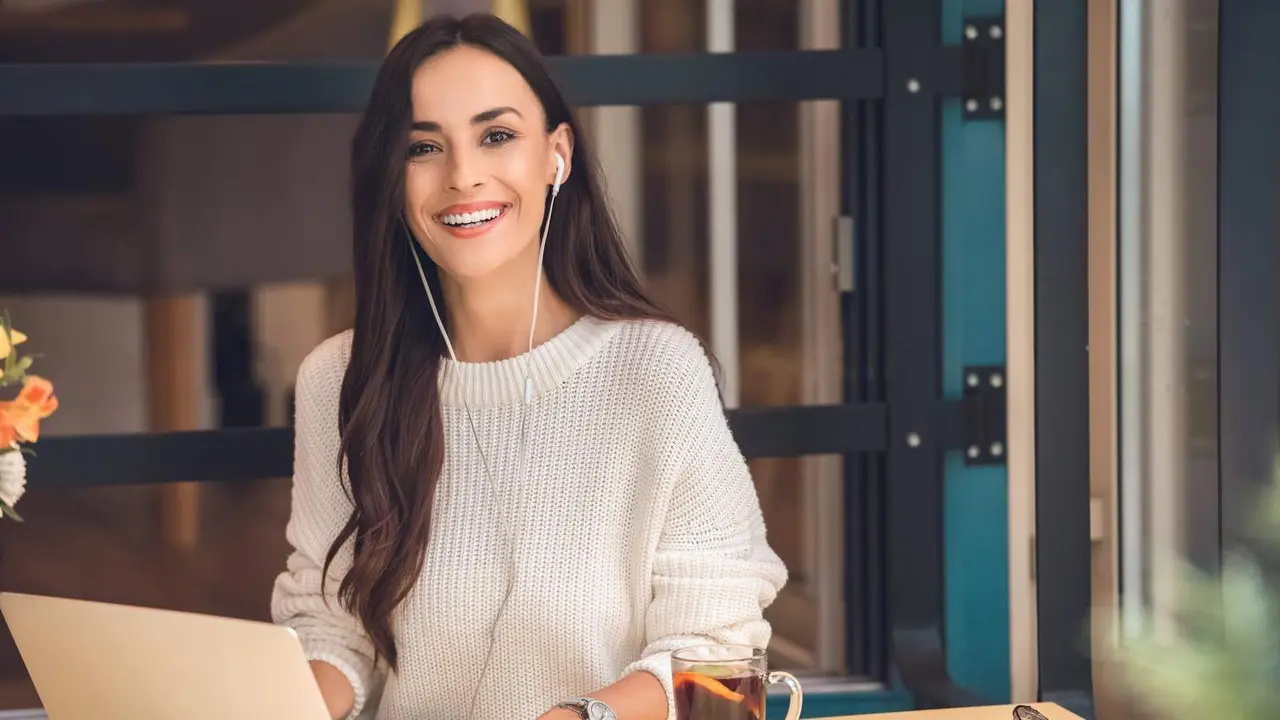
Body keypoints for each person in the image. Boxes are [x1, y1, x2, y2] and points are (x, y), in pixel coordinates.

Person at [271, 12, 787, 720]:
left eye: (497, 136)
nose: (463, 175)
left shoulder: (655, 372)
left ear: (557, 155)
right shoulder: (339, 378)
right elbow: (333, 629)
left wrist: (578, 717)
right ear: (392, 177)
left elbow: (718, 653)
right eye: (424, 146)